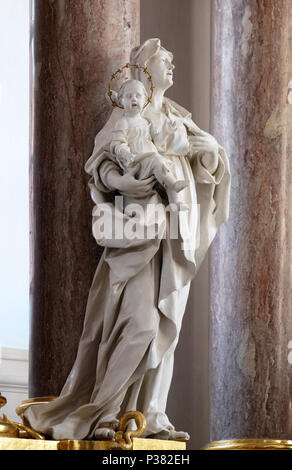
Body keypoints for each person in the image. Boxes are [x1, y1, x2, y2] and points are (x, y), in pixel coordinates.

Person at [23, 38, 230, 442]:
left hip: (171, 239)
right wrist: (127, 182)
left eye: (172, 61)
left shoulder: (175, 115)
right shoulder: (127, 115)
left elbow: (207, 164)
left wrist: (213, 153)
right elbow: (101, 164)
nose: (172, 67)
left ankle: (150, 416)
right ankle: (105, 412)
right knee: (138, 324)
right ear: (144, 69)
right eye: (164, 61)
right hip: (135, 236)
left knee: (165, 328)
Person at [111, 79, 188, 200]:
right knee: (159, 163)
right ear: (121, 101)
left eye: (138, 96)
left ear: (145, 100)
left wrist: (169, 130)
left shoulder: (147, 121)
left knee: (167, 167)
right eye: (129, 96)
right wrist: (125, 154)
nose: (134, 99)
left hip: (151, 156)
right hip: (136, 161)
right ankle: (173, 185)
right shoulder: (123, 122)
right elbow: (118, 143)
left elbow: (158, 139)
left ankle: (175, 203)